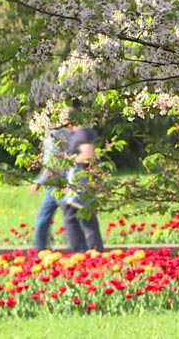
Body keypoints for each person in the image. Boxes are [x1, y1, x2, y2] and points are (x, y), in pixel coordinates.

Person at [28, 108, 73, 251]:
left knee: (43, 219)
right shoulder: (73, 134)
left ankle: (41, 250)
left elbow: (52, 163)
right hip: (66, 184)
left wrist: (38, 182)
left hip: (58, 184)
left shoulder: (54, 135)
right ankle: (79, 250)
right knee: (71, 221)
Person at [59, 122, 105, 253]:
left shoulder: (83, 132)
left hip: (80, 182)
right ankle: (90, 252)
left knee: (78, 217)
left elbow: (88, 155)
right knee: (78, 217)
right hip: (77, 182)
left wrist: (68, 160)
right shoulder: (77, 134)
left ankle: (88, 252)